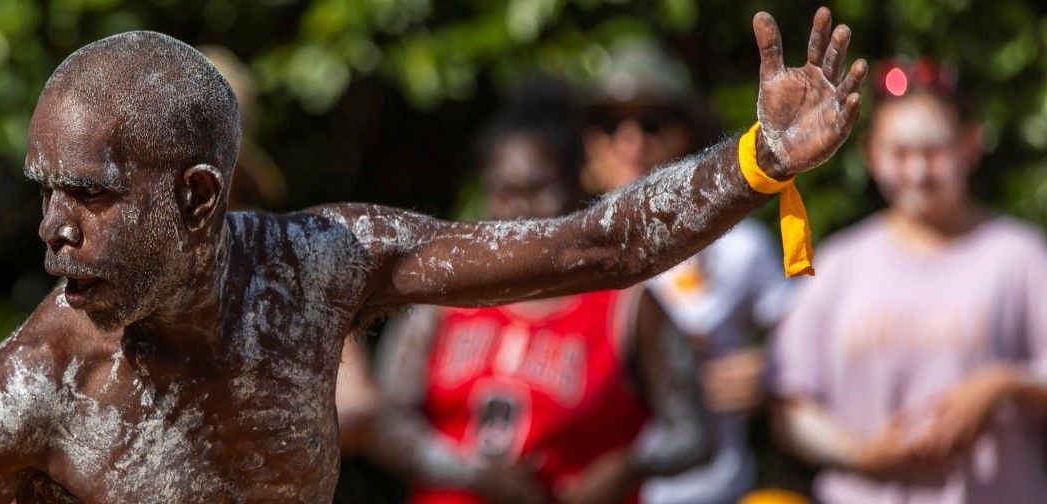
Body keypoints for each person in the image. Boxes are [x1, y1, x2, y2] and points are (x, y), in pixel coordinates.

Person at [0, 8, 865, 502]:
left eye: (90, 193)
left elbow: (593, 244)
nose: (52, 227)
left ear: (200, 198)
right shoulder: (32, 390)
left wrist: (760, 162)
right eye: (46, 190)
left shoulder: (316, 266)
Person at [370, 82, 710, 504]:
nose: (517, 211)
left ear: (577, 186)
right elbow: (384, 421)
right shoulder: (442, 295)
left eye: (538, 189)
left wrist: (629, 466)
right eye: (503, 192)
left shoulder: (626, 305)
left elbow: (694, 432)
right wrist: (472, 474)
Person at [768, 57, 1047, 503]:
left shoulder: (1020, 257)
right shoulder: (840, 263)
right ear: (872, 155)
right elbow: (790, 403)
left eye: (934, 152)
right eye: (899, 153)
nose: (917, 172)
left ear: (970, 147)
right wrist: (861, 455)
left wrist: (1000, 384)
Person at [581, 40, 795, 504]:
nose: (631, 141)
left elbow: (808, 340)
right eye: (609, 123)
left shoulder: (740, 247)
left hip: (716, 490)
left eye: (652, 122)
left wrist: (770, 370)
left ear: (688, 132)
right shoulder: (559, 258)